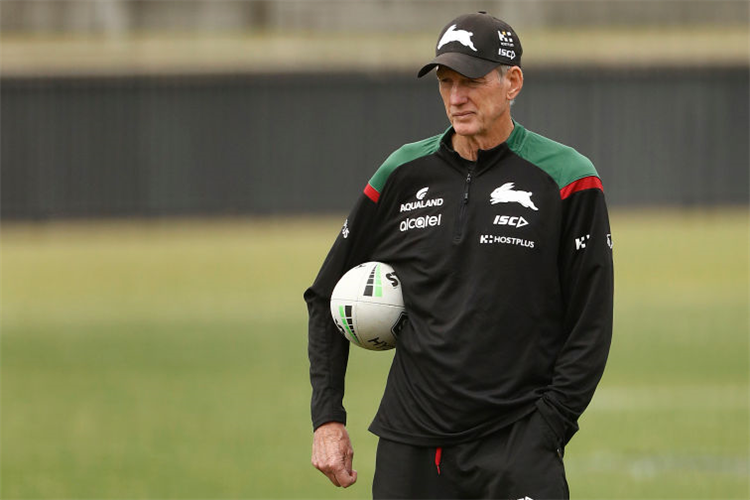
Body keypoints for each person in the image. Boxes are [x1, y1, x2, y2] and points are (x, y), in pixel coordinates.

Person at [305, 11, 614, 500]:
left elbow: (590, 322)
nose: (455, 97)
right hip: (410, 449)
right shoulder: (402, 172)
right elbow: (325, 295)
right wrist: (328, 418)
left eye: (470, 80)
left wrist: (549, 428)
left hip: (517, 442)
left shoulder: (568, 178)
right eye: (446, 82)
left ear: (512, 82)